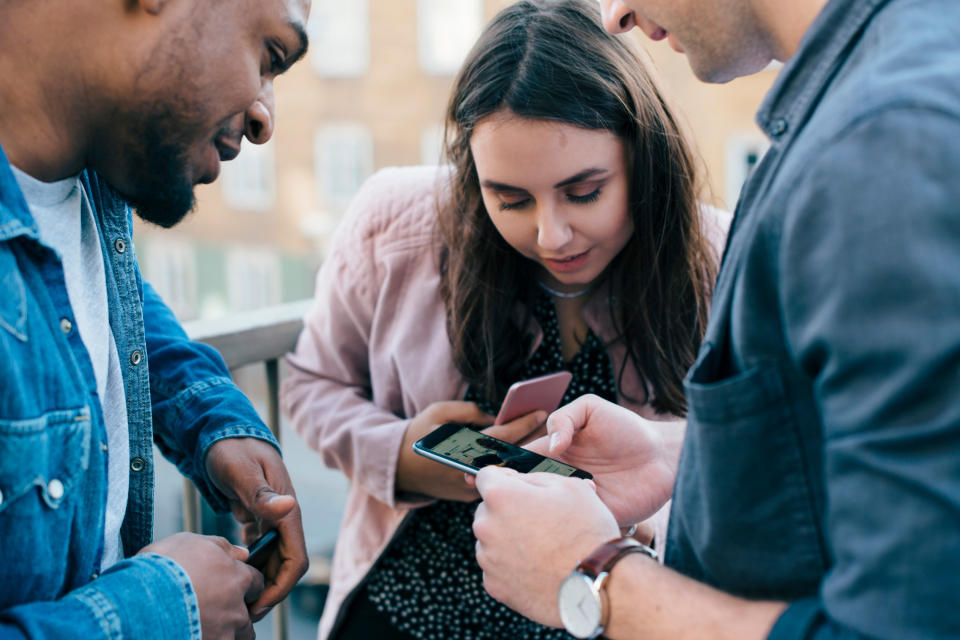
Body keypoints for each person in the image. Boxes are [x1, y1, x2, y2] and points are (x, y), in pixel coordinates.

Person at [472, 0, 960, 638]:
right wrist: (675, 452)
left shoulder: (882, 143)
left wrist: (595, 575)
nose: (614, 15)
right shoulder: (872, 97)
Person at [281, 1, 727, 638]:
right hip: (403, 607)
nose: (553, 236)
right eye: (509, 199)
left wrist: (645, 512)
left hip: (601, 606)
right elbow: (310, 387)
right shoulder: (394, 220)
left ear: (643, 156)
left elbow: (753, 454)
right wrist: (400, 457)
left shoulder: (718, 256)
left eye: (584, 191)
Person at [0, 0, 311, 638]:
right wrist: (164, 608)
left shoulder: (82, 177)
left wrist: (215, 422)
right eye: (269, 56)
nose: (263, 119)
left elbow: (103, 301)